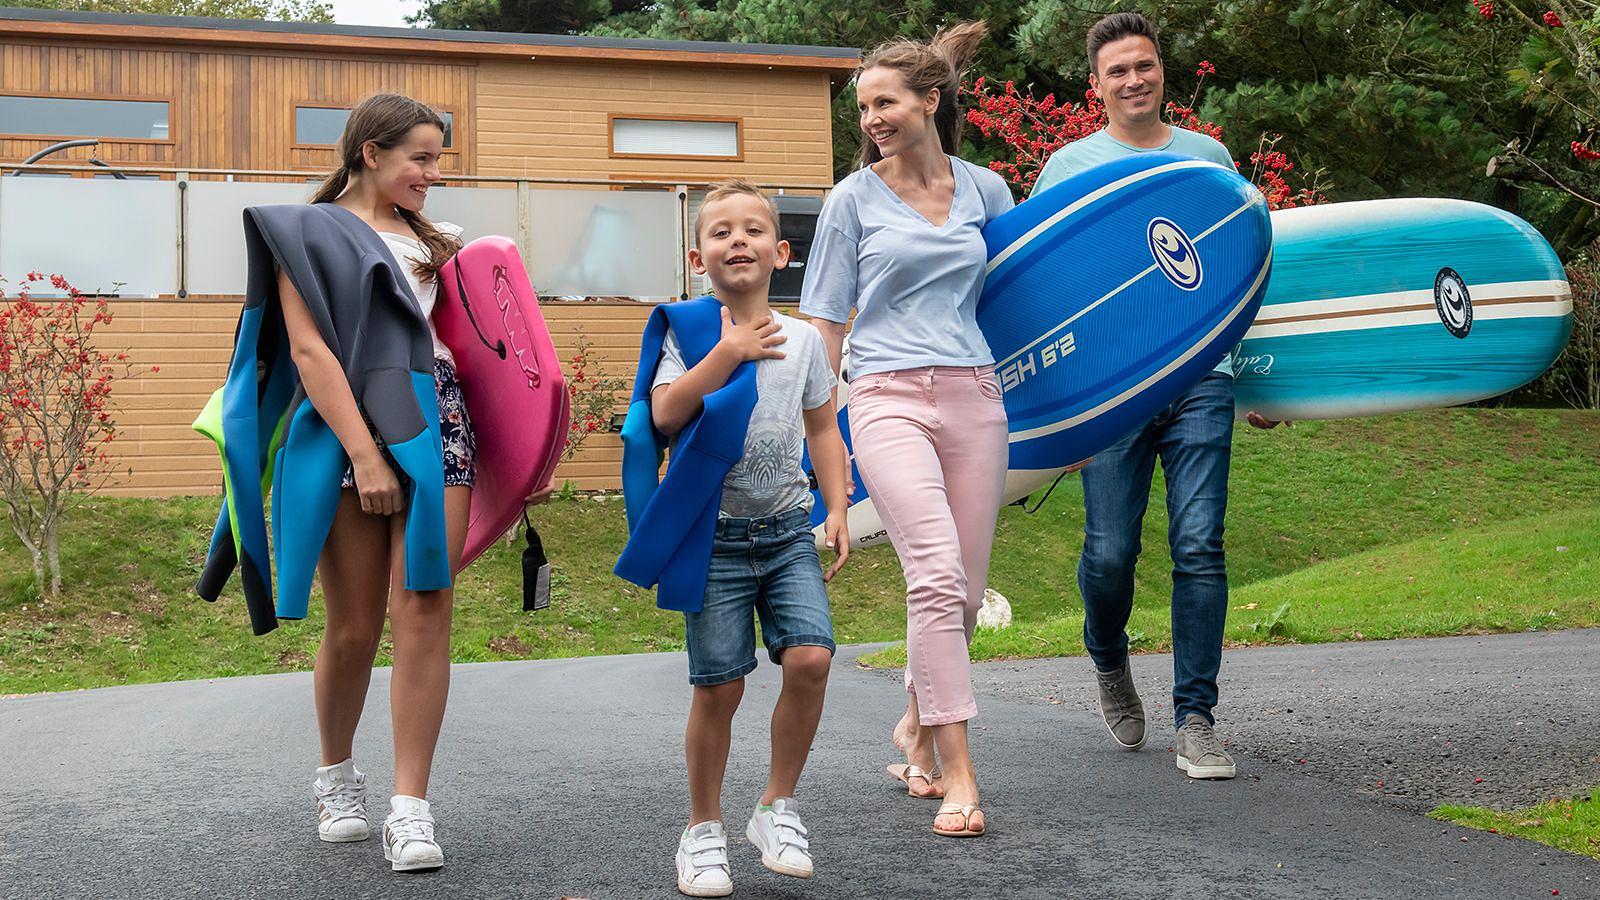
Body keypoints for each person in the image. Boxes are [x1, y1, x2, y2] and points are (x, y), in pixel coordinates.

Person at [1032, 12, 1281, 781]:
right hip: (1113, 389)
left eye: (1144, 65)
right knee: (1111, 553)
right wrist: (1060, 410)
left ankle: (1196, 719)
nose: (1134, 79)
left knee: (1199, 543)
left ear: (1161, 71)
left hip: (1202, 377)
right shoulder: (1069, 167)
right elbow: (1041, 293)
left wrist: (1263, 375)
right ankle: (1108, 655)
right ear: (1096, 86)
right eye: (1118, 71)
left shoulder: (1208, 158)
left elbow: (1244, 266)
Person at [800, 21, 1012, 838]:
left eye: (884, 102)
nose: (871, 119)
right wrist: (826, 446)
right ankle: (959, 774)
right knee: (931, 573)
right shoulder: (852, 199)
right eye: (862, 107)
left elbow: (1026, 291)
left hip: (977, 396)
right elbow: (822, 324)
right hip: (884, 394)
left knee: (962, 592)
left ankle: (915, 726)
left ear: (930, 100)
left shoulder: (989, 190)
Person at [627, 181, 850, 896]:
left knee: (811, 657)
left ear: (781, 252)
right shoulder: (690, 334)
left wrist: (838, 505)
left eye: (753, 230)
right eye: (721, 232)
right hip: (712, 537)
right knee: (719, 687)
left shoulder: (809, 339)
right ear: (700, 257)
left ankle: (776, 805)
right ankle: (702, 829)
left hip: (787, 529)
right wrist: (726, 354)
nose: (739, 241)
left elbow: (822, 426)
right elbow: (662, 414)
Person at [284, 93, 473, 870]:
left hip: (442, 420)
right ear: (371, 153)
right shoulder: (303, 233)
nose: (431, 174)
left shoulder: (443, 241)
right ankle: (335, 776)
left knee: (426, 605)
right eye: (419, 158)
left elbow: (477, 346)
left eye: (436, 160)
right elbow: (308, 351)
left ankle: (411, 807)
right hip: (348, 428)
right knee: (356, 623)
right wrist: (364, 454)